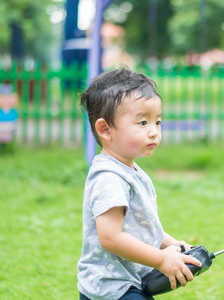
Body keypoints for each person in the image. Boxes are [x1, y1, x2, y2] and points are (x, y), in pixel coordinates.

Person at [77, 68, 201, 300]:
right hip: (109, 288)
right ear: (105, 129)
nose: (154, 132)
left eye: (158, 122)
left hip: (128, 283)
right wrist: (161, 259)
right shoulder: (109, 177)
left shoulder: (130, 170)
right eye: (143, 122)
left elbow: (139, 226)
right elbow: (110, 237)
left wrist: (171, 245)